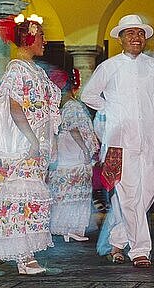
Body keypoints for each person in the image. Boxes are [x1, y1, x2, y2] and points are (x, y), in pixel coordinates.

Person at [0, 16, 61, 275]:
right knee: (20, 200)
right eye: (40, 35)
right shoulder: (17, 69)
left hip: (35, 146)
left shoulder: (36, 71)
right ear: (28, 39)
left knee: (23, 201)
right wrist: (31, 139)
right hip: (20, 146)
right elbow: (15, 108)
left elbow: (47, 114)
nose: (45, 40)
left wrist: (48, 141)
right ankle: (21, 257)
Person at [81, 14, 154, 268]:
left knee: (148, 194)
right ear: (120, 38)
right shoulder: (109, 66)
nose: (136, 37)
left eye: (140, 33)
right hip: (120, 140)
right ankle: (140, 249)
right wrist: (112, 109)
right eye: (130, 33)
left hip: (150, 139)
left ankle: (117, 239)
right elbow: (88, 95)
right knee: (130, 195)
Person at [48, 68, 99, 242]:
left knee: (67, 193)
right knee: (76, 193)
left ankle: (67, 228)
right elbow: (75, 129)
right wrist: (86, 150)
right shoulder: (73, 106)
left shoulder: (62, 108)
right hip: (74, 153)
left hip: (66, 153)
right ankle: (73, 229)